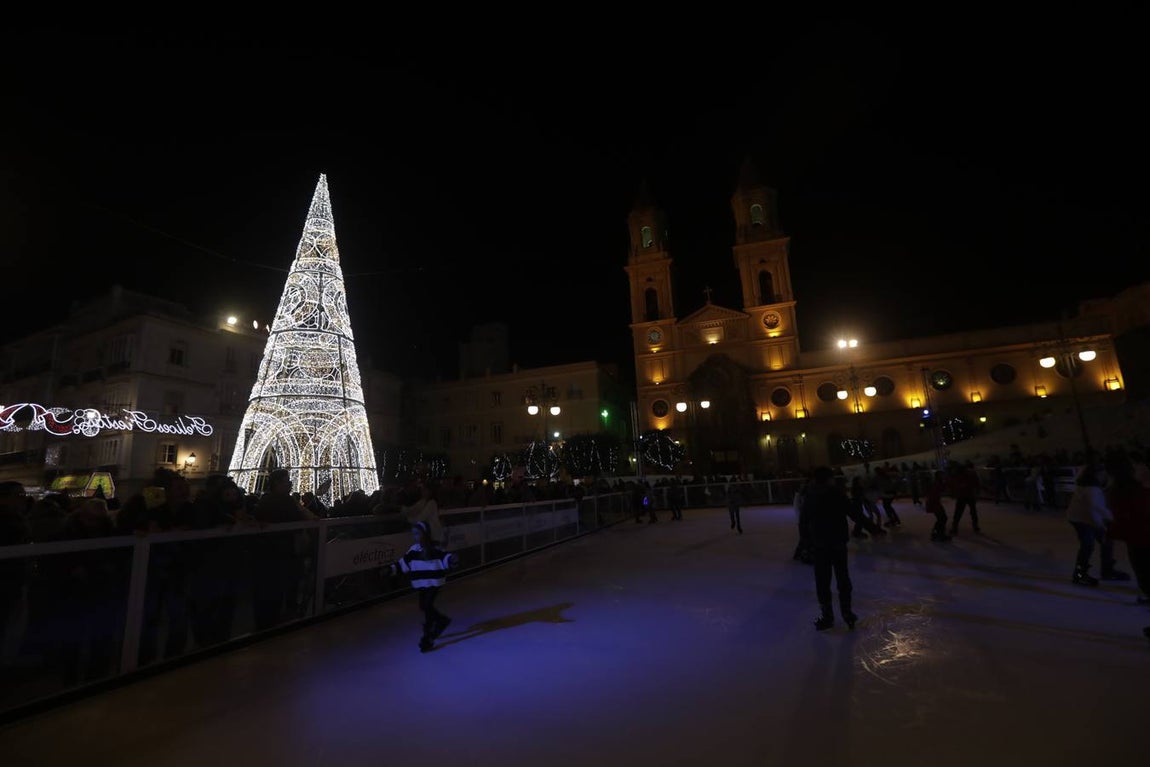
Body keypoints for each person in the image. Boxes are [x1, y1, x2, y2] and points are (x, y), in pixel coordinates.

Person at [800, 466, 878, 631]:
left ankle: (827, 616)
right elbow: (854, 513)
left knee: (823, 581)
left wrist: (806, 544)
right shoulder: (836, 493)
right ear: (829, 479)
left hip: (820, 544)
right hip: (837, 543)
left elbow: (803, 521)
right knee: (842, 579)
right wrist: (873, 528)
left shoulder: (810, 495)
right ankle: (847, 613)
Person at [387, 520, 458, 653]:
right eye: (414, 534)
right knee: (424, 606)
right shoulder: (414, 549)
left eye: (418, 534)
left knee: (426, 606)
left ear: (425, 534)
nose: (416, 537)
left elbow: (444, 557)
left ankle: (428, 637)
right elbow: (404, 562)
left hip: (434, 583)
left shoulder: (434, 548)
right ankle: (441, 621)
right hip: (421, 583)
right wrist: (390, 569)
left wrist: (451, 559)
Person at [1065, 460, 1129, 586]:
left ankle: (1107, 570)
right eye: (1101, 474)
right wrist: (1106, 522)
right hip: (1081, 520)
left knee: (1106, 540)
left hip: (1082, 517)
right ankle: (1079, 575)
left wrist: (1108, 520)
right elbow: (1095, 510)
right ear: (1094, 475)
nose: (1104, 476)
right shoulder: (1091, 489)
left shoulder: (1092, 485)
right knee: (1088, 545)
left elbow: (1098, 508)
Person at [1103, 453, 1150, 605]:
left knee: (1141, 565)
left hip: (1134, 534)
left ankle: (1146, 593)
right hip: (1141, 531)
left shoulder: (1115, 491)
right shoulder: (1136, 489)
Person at [949, 461, 982, 535]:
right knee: (971, 511)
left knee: (960, 512)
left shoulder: (959, 475)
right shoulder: (968, 474)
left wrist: (953, 492)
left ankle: (955, 527)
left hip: (965, 495)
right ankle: (974, 526)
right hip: (966, 495)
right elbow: (977, 483)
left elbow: (953, 484)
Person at [924, 470, 951, 541]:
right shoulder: (936, 483)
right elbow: (939, 490)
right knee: (942, 518)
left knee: (942, 518)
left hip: (935, 503)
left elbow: (942, 489)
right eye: (942, 475)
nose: (943, 476)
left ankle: (937, 533)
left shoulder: (937, 482)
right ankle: (940, 534)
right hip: (934, 503)